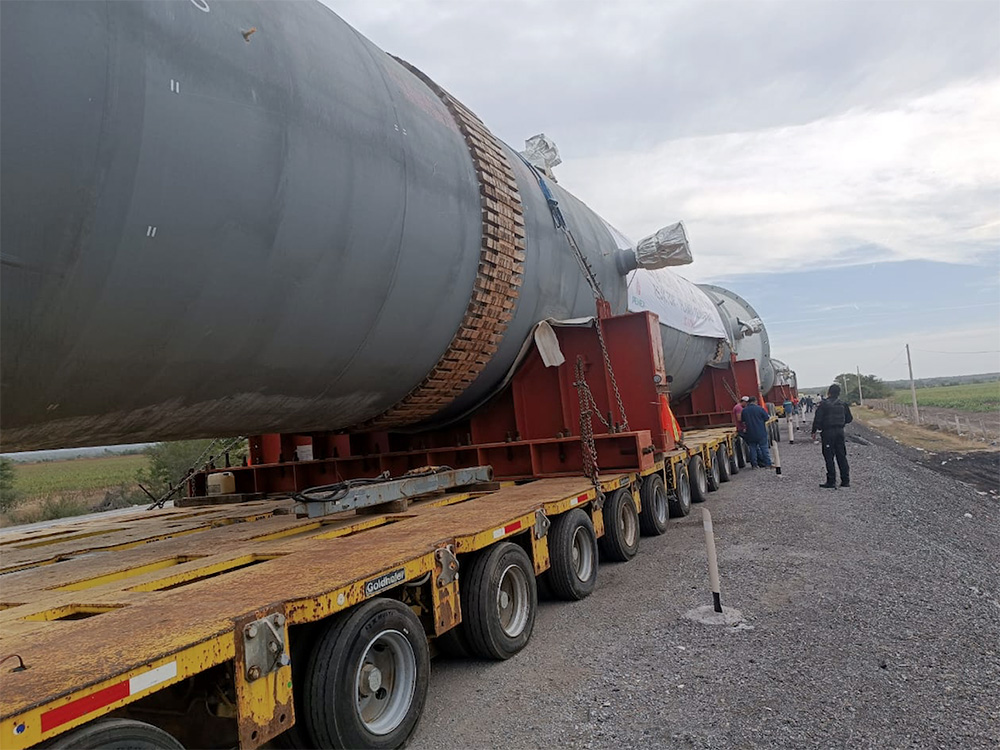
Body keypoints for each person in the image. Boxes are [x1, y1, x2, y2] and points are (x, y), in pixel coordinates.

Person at [812, 383, 853, 488]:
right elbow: (849, 419)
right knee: (841, 456)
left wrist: (814, 431)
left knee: (829, 457)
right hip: (840, 432)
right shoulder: (843, 404)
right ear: (839, 393)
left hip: (828, 432)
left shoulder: (824, 404)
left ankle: (831, 480)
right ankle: (845, 480)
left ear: (829, 393)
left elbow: (818, 419)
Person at [739, 397, 772, 468]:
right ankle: (768, 464)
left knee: (752, 449)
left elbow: (742, 421)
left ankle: (754, 465)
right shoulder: (760, 409)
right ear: (755, 401)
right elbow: (766, 418)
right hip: (761, 432)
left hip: (750, 433)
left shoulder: (744, 411)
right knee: (764, 448)